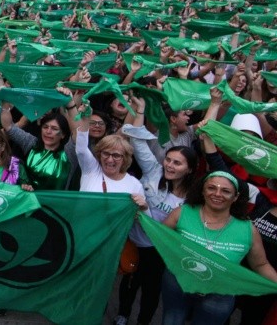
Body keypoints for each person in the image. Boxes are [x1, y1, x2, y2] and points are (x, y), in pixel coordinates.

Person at [116, 98, 198, 325]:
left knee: (151, 290)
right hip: (134, 240)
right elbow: (137, 140)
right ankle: (122, 315)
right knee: (129, 281)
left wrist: (144, 210)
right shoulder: (154, 171)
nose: (169, 165)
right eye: (168, 160)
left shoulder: (192, 199)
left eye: (177, 163)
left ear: (190, 169)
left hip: (159, 250)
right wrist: (141, 110)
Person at [160, 172, 277, 325]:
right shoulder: (182, 213)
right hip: (177, 285)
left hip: (219, 296)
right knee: (171, 321)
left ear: (235, 197)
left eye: (225, 191)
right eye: (211, 188)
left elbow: (260, 264)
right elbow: (159, 237)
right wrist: (139, 213)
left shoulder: (248, 229)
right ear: (203, 191)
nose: (217, 194)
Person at [1, 106, 73, 190]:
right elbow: (9, 126)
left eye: (54, 129)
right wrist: (5, 105)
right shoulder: (31, 143)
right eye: (45, 127)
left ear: (63, 134)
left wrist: (71, 105)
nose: (48, 131)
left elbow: (78, 131)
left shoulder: (70, 152)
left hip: (57, 199)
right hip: (30, 197)